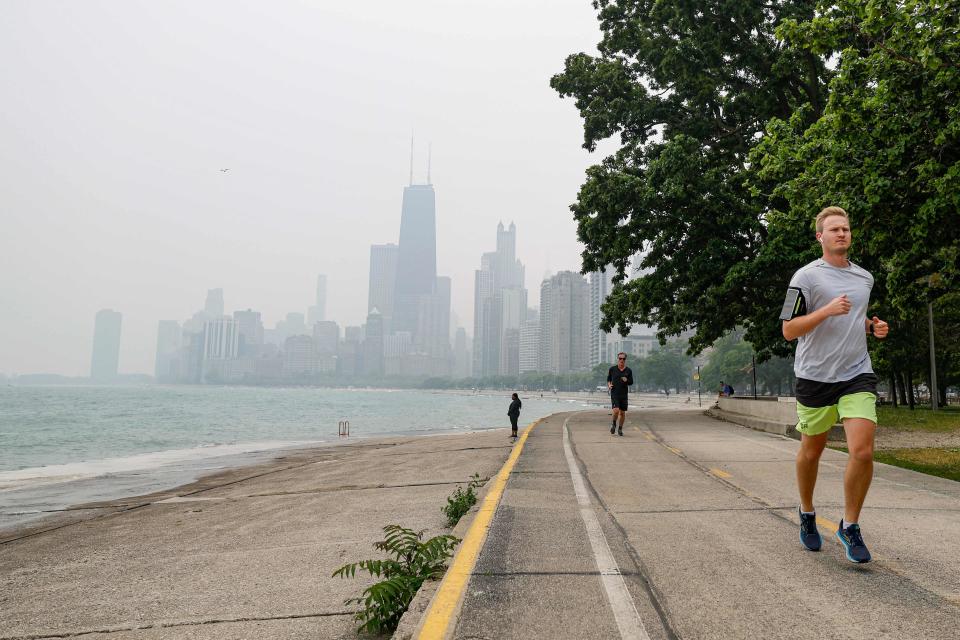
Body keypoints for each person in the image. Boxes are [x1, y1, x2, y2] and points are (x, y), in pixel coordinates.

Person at [780, 206, 888, 563]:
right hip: (814, 377)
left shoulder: (865, 278)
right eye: (834, 229)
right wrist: (825, 311)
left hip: (856, 373)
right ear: (820, 237)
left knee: (863, 451)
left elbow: (856, 321)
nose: (842, 233)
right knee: (811, 452)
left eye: (846, 228)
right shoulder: (805, 277)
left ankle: (850, 525)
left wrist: (873, 328)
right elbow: (788, 330)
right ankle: (807, 513)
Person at [607, 352, 634, 436]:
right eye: (620, 358)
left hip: (624, 394)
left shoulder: (628, 370)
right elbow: (608, 379)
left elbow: (631, 382)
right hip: (615, 393)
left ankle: (620, 429)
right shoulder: (612, 369)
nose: (622, 360)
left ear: (625, 360)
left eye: (623, 359)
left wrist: (626, 380)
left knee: (622, 413)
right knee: (616, 411)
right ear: (618, 359)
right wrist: (609, 385)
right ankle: (614, 424)